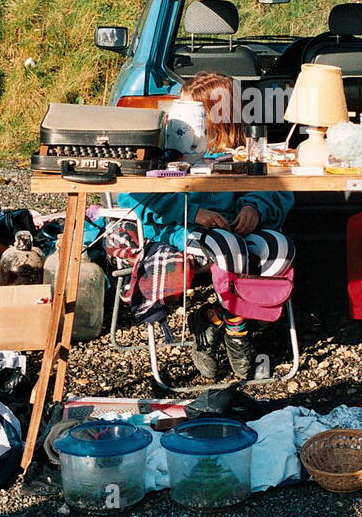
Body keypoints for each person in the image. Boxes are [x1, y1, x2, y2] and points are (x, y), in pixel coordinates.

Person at [105, 72, 295, 381]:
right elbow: (135, 192)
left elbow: (279, 187)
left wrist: (254, 207)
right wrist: (193, 211)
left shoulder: (246, 150)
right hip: (181, 229)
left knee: (280, 248)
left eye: (194, 113)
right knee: (227, 246)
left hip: (239, 228)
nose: (183, 121)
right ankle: (239, 330)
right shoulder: (166, 151)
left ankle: (214, 319)